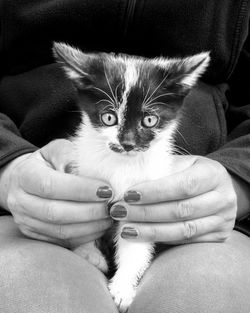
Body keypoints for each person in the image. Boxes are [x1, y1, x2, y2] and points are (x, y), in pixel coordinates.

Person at [0, 1, 249, 312]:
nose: (128, 141)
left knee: (204, 295)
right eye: (109, 119)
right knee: (35, 293)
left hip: (204, 213)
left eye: (148, 121)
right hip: (29, 201)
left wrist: (239, 175)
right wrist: (8, 161)